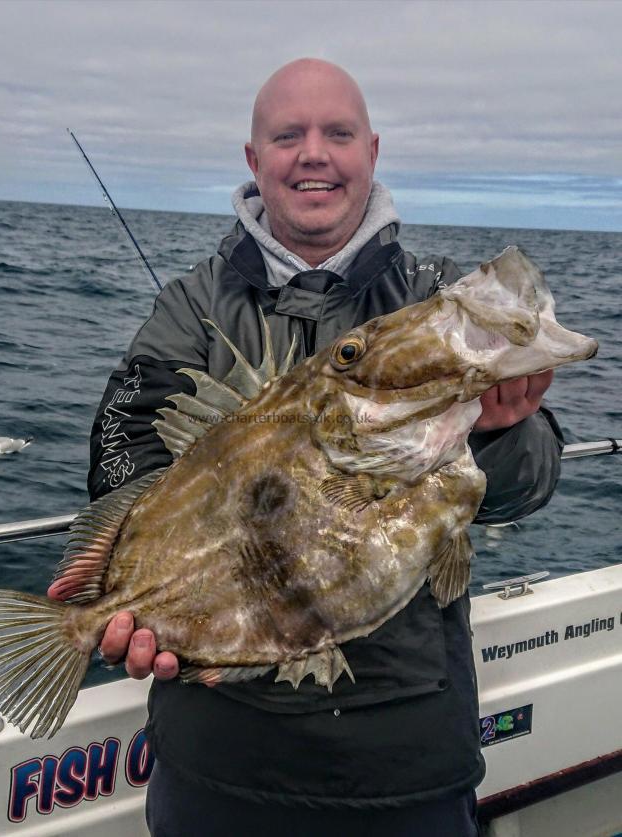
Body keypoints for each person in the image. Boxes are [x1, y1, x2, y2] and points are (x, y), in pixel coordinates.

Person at [49, 58, 562, 835]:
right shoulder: (192, 307)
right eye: (288, 135)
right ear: (256, 161)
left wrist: (497, 432)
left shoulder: (438, 298)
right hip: (217, 755)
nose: (313, 153)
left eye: (338, 133)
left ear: (373, 152)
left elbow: (534, 480)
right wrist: (130, 595)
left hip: (406, 756)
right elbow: (122, 450)